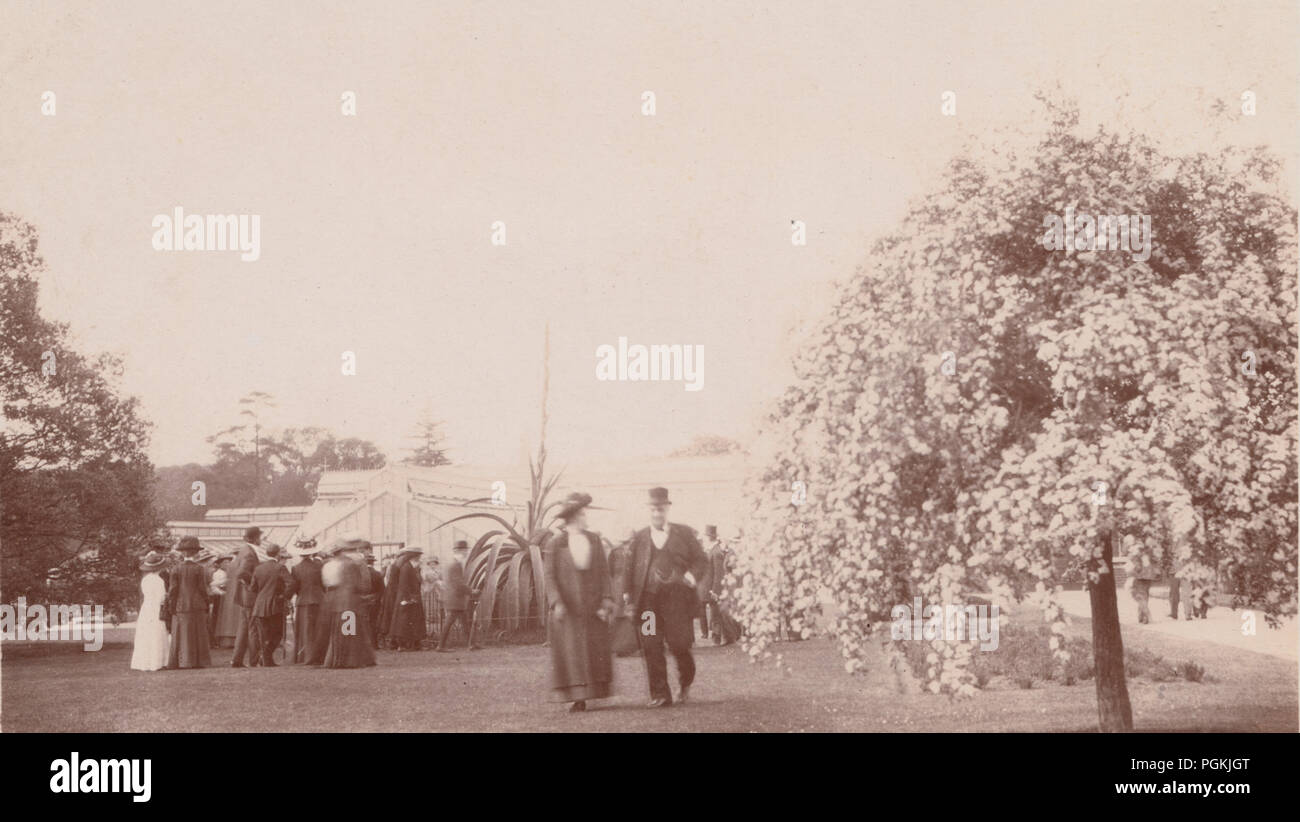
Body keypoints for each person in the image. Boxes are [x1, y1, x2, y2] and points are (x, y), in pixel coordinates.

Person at [620, 487, 710, 707]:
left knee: (679, 645)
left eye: (660, 509)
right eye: (653, 509)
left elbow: (701, 560)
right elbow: (628, 568)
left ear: (667, 509)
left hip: (676, 603)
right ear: (648, 510)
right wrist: (627, 595)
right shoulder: (640, 538)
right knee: (651, 645)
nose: (657, 513)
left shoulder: (685, 533)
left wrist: (689, 577)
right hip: (648, 604)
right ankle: (660, 695)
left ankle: (685, 683)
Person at [544, 492, 616, 712]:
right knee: (573, 652)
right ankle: (578, 698)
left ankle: (596, 691)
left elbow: (604, 572)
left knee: (594, 650)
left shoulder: (594, 539)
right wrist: (556, 602)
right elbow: (549, 576)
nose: (586, 518)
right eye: (583, 514)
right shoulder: (556, 542)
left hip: (592, 604)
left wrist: (606, 600)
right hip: (569, 606)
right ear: (574, 516)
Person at [311, 534, 377, 668]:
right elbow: (359, 585)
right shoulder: (350, 564)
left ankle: (336, 659)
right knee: (349, 630)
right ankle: (350, 660)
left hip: (333, 600)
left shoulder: (327, 565)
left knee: (339, 631)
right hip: (349, 600)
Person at [165, 537, 212, 669]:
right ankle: (200, 661)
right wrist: (207, 601)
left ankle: (183, 661)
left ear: (182, 553)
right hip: (197, 605)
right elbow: (202, 589)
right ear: (196, 552)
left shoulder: (175, 569)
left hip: (181, 605)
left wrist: (171, 605)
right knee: (199, 634)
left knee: (182, 634)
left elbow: (173, 590)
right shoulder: (199, 568)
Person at [249, 542, 292, 666]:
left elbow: (253, 588)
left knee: (263, 635)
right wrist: (283, 596)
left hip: (260, 605)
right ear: (278, 554)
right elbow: (291, 583)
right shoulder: (280, 568)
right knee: (278, 634)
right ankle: (266, 658)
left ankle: (266, 659)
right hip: (275, 605)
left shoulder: (258, 568)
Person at [230, 526, 266, 668]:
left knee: (244, 629)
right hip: (250, 596)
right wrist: (253, 585)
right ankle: (253, 660)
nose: (261, 539)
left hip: (243, 597)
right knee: (252, 629)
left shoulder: (244, 550)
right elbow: (242, 573)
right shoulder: (250, 553)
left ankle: (237, 659)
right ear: (255, 538)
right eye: (260, 537)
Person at [286, 538, 325, 663]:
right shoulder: (320, 566)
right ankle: (318, 656)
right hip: (319, 600)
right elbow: (324, 584)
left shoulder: (296, 568)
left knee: (305, 630)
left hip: (303, 601)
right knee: (318, 629)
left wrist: (287, 597)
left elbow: (294, 587)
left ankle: (306, 656)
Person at [130, 550, 170, 671]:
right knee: (157, 632)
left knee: (146, 633)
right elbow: (161, 598)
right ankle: (158, 661)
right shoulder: (159, 581)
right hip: (156, 607)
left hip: (147, 607)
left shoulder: (145, 579)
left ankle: (144, 661)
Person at [437, 540, 479, 651]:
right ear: (459, 551)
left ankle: (471, 644)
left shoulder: (450, 563)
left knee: (464, 622)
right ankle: (441, 646)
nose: (466, 553)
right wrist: (471, 591)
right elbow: (458, 584)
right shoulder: (456, 565)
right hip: (455, 599)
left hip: (453, 598)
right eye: (465, 551)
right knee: (450, 622)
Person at [387, 546, 425, 650]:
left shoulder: (410, 567)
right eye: (419, 556)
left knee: (408, 621)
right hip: (407, 598)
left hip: (411, 597)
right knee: (403, 622)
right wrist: (408, 598)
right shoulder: (407, 568)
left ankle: (410, 644)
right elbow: (404, 584)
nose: (420, 557)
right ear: (414, 556)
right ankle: (402, 645)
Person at [364, 549, 385, 649]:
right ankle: (374, 644)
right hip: (374, 600)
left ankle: (364, 643)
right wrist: (376, 598)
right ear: (373, 563)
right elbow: (382, 590)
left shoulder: (361, 574)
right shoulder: (377, 574)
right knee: (374, 621)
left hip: (362, 600)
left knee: (363, 621)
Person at [208, 555, 230, 648]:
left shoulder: (227, 573)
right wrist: (221, 593)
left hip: (225, 598)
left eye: (228, 562)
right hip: (219, 598)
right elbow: (213, 586)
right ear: (220, 564)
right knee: (216, 619)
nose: (227, 564)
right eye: (225, 562)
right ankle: (215, 640)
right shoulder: (218, 573)